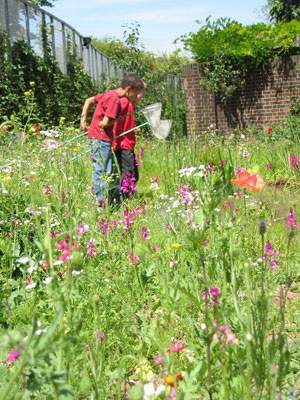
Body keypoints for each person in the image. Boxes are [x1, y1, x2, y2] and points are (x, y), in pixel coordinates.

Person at [80, 74, 144, 208]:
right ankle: (100, 203)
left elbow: (92, 104)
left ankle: (115, 202)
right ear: (129, 89)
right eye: (136, 93)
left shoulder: (110, 94)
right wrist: (118, 120)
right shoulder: (115, 99)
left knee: (110, 172)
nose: (137, 97)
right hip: (101, 138)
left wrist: (84, 120)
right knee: (103, 171)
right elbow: (104, 123)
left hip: (100, 137)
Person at [112, 87, 145, 200]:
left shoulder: (129, 104)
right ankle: (125, 199)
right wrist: (115, 140)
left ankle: (127, 196)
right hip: (122, 145)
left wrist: (132, 128)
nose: (141, 96)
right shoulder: (124, 103)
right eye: (140, 93)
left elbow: (124, 122)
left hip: (128, 144)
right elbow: (114, 121)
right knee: (128, 174)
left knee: (134, 174)